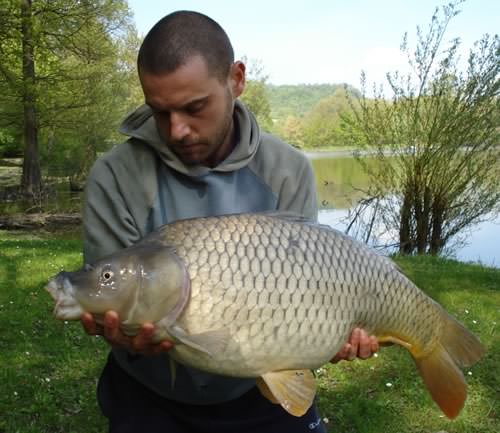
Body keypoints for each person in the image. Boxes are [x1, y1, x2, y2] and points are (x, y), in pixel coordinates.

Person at [80, 10, 379, 433]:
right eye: (159, 111)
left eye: (194, 107)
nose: (177, 130)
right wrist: (120, 328)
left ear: (236, 79)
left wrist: (326, 336)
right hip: (150, 396)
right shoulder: (114, 176)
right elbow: (111, 294)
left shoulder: (287, 169)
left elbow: (306, 295)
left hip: (258, 393)